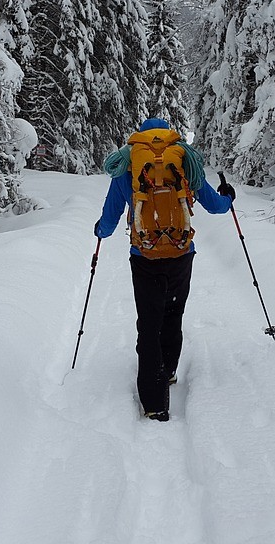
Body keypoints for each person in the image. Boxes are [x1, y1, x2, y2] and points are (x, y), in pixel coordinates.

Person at [94, 118, 237, 422]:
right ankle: (169, 370)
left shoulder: (126, 164)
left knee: (148, 322)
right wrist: (228, 197)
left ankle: (154, 401)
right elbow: (215, 206)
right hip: (182, 253)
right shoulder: (184, 160)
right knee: (173, 313)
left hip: (144, 255)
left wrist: (100, 231)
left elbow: (109, 217)